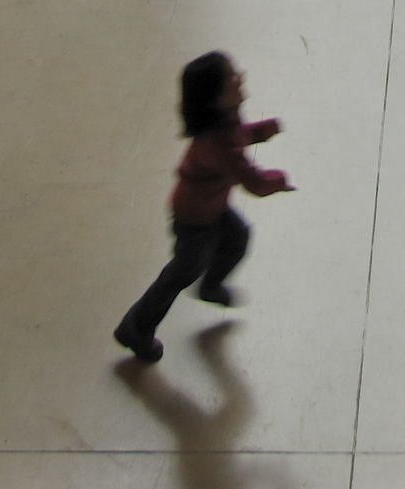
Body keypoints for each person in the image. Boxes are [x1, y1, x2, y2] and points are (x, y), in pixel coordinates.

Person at [114, 50, 293, 362]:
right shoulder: (217, 142)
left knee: (237, 238)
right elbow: (250, 179)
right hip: (195, 218)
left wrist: (260, 132)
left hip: (213, 208)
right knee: (181, 273)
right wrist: (276, 180)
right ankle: (135, 327)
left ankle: (211, 285)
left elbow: (238, 138)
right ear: (214, 98)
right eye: (230, 77)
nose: (240, 77)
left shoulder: (224, 124)